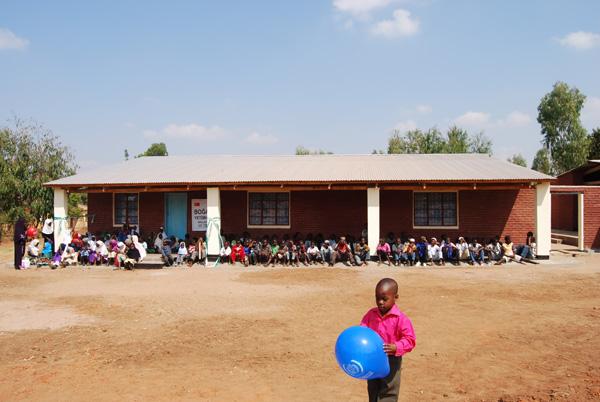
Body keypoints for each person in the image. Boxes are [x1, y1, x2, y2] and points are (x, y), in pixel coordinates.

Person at [360, 278, 416, 402]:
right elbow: (362, 331)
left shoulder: (401, 319)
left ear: (396, 297)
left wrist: (396, 347)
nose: (380, 302)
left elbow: (410, 340)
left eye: (384, 299)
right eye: (377, 298)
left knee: (389, 390)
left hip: (391, 360)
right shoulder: (371, 314)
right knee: (373, 388)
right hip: (373, 358)